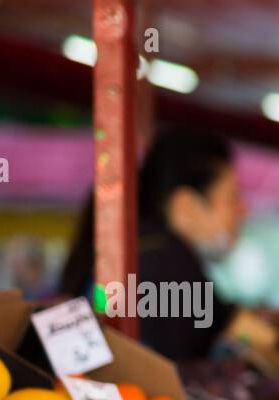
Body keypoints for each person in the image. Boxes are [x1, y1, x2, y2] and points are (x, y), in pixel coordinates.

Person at [60, 127, 246, 361]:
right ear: (187, 206)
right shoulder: (171, 263)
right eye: (232, 198)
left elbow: (224, 318)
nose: (243, 211)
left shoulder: (141, 248)